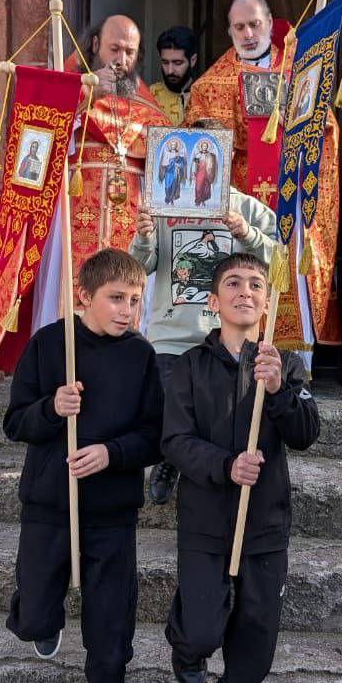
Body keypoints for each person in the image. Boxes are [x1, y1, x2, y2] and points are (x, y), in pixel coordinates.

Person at [161, 253, 320, 683]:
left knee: (255, 647)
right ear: (214, 301)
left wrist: (278, 392)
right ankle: (184, 643)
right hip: (206, 522)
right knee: (204, 632)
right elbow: (175, 442)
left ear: (266, 301)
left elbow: (305, 434)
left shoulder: (286, 366)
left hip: (265, 525)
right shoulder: (188, 368)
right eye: (233, 283)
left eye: (256, 284)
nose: (246, 291)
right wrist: (225, 466)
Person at [3, 248, 163, 683]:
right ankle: (36, 617)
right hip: (50, 504)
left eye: (135, 301)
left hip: (112, 513)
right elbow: (14, 422)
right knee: (35, 617)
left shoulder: (142, 358)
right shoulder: (50, 346)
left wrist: (111, 453)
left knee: (112, 633)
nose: (126, 311)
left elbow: (154, 436)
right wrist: (52, 409)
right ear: (84, 297)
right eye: (116, 299)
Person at [130, 120, 277, 506]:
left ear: (225, 158)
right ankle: (167, 459)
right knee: (167, 402)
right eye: (197, 154)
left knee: (225, 414)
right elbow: (139, 267)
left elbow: (279, 264)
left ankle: (217, 475)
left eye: (212, 154)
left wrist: (246, 233)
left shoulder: (248, 209)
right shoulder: (165, 203)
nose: (204, 161)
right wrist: (144, 235)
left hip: (229, 333)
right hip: (173, 331)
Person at [185, 0, 340, 354]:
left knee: (291, 274)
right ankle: (238, 355)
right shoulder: (210, 86)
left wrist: (301, 128)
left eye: (255, 24)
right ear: (229, 32)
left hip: (291, 196)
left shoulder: (300, 72)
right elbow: (203, 148)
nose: (249, 33)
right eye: (239, 26)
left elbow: (326, 133)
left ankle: (295, 366)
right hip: (241, 202)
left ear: (270, 24)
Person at [67, 15, 172, 276]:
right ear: (94, 44)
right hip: (74, 220)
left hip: (129, 226)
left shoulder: (149, 111)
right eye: (114, 49)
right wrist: (85, 95)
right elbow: (45, 133)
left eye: (130, 52)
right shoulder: (67, 91)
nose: (121, 61)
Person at [151, 25, 199, 126]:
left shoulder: (206, 96)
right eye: (165, 62)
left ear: (193, 60)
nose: (169, 71)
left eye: (177, 63)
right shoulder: (150, 95)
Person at [159, 137, 187, 206]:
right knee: (167, 186)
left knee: (173, 186)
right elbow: (163, 163)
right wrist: (167, 162)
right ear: (170, 146)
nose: (173, 146)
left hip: (175, 173)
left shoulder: (178, 155)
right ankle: (167, 199)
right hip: (168, 172)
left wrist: (177, 164)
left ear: (176, 146)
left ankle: (171, 199)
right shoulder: (167, 153)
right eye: (172, 145)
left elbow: (182, 165)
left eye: (174, 145)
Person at [191, 138, 218, 207]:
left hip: (207, 173)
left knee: (205, 188)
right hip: (199, 173)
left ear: (207, 147)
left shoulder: (210, 155)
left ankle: (203, 200)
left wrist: (211, 173)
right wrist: (193, 172)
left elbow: (212, 165)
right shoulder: (198, 155)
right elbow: (194, 164)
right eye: (203, 146)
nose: (204, 147)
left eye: (206, 146)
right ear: (201, 147)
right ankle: (198, 201)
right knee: (198, 188)